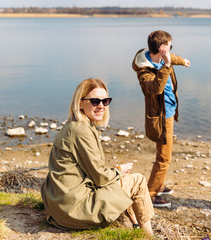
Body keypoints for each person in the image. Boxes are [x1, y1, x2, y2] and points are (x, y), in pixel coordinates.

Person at [41, 78, 154, 235]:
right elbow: (100, 177)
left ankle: (134, 225)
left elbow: (92, 171)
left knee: (117, 177)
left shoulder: (73, 125)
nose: (101, 106)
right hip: (73, 210)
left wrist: (115, 172)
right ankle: (148, 235)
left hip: (60, 205)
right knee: (138, 180)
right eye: (95, 101)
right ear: (80, 103)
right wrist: (119, 171)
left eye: (105, 101)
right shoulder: (81, 131)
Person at [132, 30, 190, 207]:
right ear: (162, 49)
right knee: (164, 158)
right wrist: (166, 65)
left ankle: (158, 183)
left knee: (162, 154)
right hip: (160, 118)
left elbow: (173, 57)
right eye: (170, 47)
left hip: (169, 112)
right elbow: (155, 89)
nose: (171, 51)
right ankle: (151, 194)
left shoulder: (159, 57)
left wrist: (182, 61)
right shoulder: (144, 71)